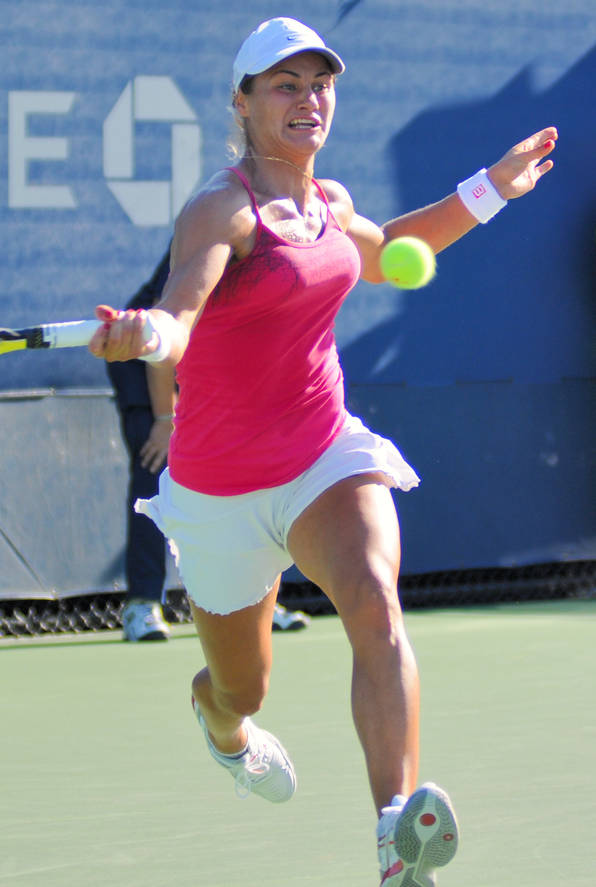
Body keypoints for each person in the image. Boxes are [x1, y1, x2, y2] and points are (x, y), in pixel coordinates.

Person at [88, 16, 557, 886]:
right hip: (220, 487)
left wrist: (491, 188)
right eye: (285, 86)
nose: (309, 101)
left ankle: (395, 837)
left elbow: (396, 252)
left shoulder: (329, 204)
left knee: (376, 599)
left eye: (319, 84)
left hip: (320, 453)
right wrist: (149, 334)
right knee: (243, 690)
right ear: (244, 103)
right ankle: (219, 720)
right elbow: (181, 310)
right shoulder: (221, 209)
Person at [107, 246, 312, 641]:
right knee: (157, 468)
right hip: (149, 354)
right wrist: (165, 420)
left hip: (214, 354)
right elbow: (159, 338)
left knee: (250, 475)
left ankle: (255, 600)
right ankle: (142, 605)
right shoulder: (212, 231)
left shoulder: (288, 239)